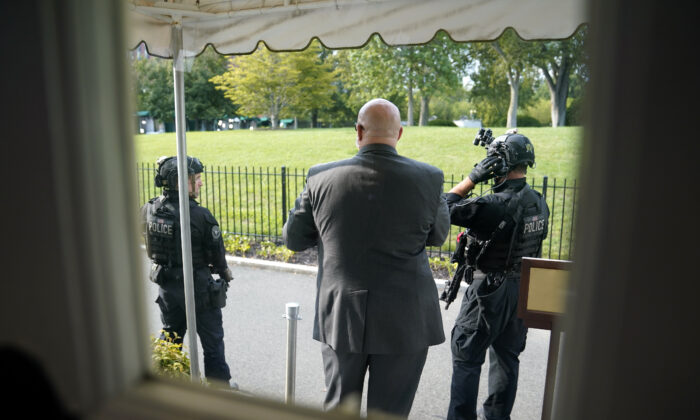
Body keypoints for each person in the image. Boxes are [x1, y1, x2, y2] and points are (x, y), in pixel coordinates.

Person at [282, 98, 450, 418]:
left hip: (342, 313)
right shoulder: (429, 178)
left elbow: (293, 239)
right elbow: (439, 236)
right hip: (406, 317)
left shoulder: (320, 177)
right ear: (399, 133)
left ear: (358, 131)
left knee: (338, 409)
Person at [444, 130, 550, 420]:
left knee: (467, 358)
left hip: (488, 291)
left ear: (498, 163)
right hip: (520, 289)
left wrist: (473, 177)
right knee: (507, 358)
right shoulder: (539, 203)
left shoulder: (492, 205)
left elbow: (442, 207)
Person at [141, 155, 235, 388]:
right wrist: (224, 274)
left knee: (171, 336)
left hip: (166, 284)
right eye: (197, 179)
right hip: (198, 286)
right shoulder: (200, 216)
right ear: (180, 182)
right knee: (212, 339)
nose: (201, 183)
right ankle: (219, 388)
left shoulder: (149, 208)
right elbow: (217, 256)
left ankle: (169, 382)